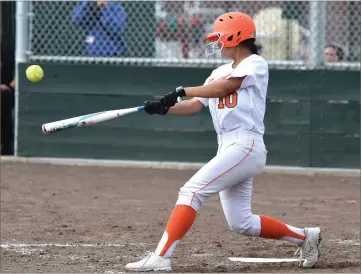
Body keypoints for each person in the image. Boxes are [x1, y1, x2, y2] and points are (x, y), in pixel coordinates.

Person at [125, 12, 322, 272]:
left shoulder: (255, 63)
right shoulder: (218, 71)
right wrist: (164, 108)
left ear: (236, 36)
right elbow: (196, 105)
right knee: (241, 223)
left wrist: (181, 91)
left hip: (246, 143)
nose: (217, 43)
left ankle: (161, 256)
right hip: (227, 146)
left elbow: (224, 89)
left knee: (192, 191)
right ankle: (306, 236)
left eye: (221, 37)